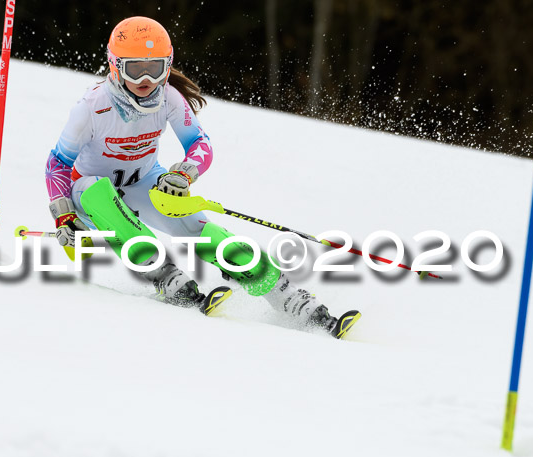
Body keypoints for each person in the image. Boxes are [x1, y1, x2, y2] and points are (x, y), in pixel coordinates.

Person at [44, 16, 358, 338]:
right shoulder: (92, 107)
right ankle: (165, 276)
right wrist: (64, 213)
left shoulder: (168, 98)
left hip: (144, 181)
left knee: (198, 228)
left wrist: (184, 173)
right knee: (98, 191)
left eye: (156, 68)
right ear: (114, 66)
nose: (146, 79)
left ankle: (285, 294)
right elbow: (57, 163)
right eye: (134, 69)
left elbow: (199, 143)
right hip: (89, 193)